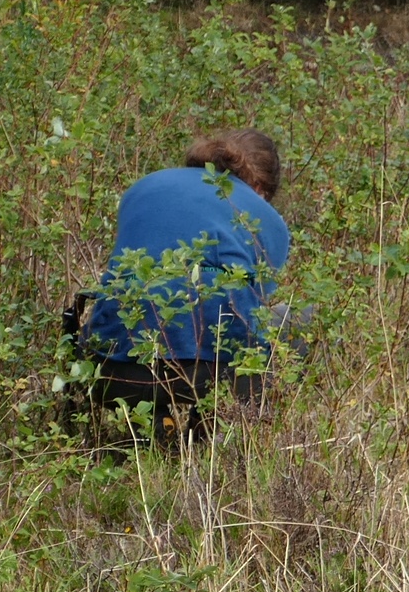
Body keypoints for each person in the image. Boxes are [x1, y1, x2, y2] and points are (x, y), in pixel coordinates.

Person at [78, 130, 292, 444]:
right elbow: (253, 313)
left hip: (107, 375)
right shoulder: (262, 215)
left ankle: (150, 433)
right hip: (201, 377)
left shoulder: (144, 188)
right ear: (261, 187)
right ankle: (207, 438)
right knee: (292, 321)